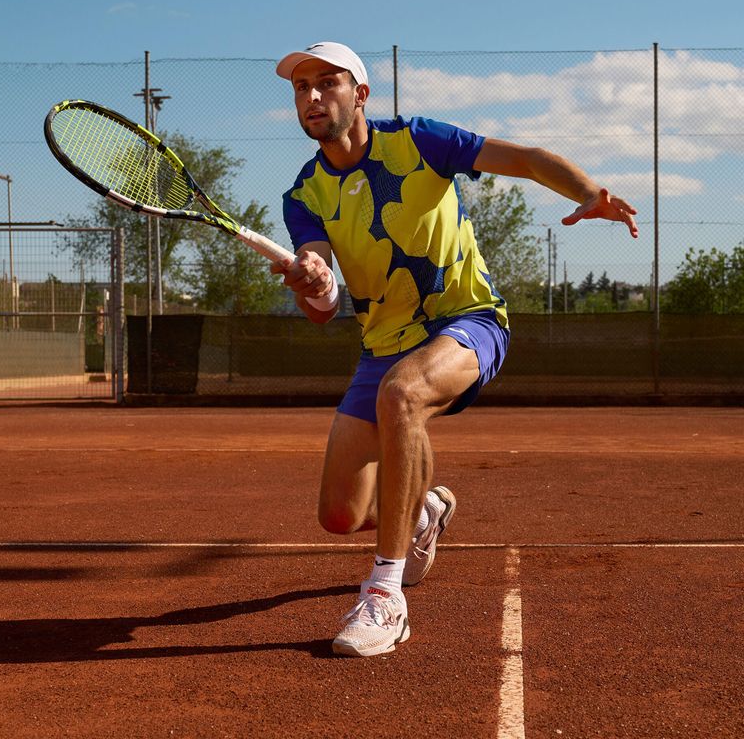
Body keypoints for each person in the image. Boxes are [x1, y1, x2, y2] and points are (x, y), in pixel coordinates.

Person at [271, 41, 638, 658]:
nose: (311, 97)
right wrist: (313, 279)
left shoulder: (418, 141)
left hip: (466, 322)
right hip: (382, 346)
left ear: (360, 94)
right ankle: (422, 513)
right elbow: (323, 305)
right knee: (338, 513)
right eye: (301, 88)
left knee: (404, 394)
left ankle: (386, 596)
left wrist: (588, 192)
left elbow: (522, 159)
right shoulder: (302, 197)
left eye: (326, 83)